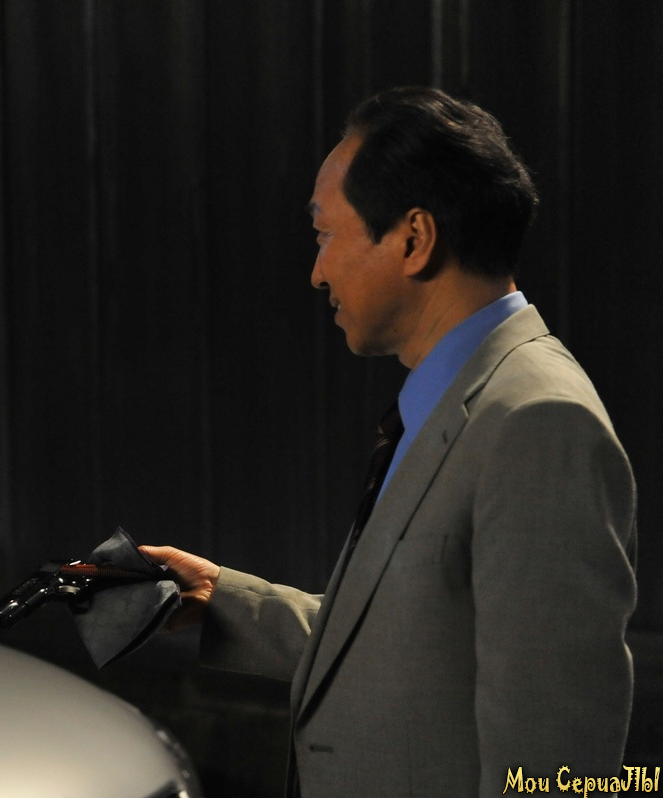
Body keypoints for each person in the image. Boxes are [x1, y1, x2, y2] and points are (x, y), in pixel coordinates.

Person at [142, 87, 637, 796]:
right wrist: (221, 598)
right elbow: (415, 646)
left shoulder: (539, 423)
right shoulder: (460, 394)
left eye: (325, 235)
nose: (317, 272)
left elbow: (556, 768)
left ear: (413, 239)